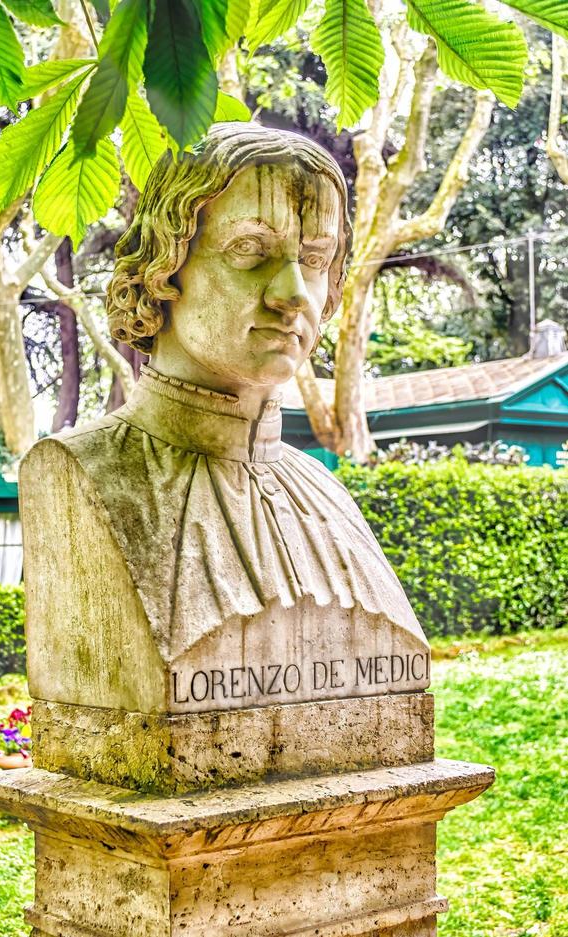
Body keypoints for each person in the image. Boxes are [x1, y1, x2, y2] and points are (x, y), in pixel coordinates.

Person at [21, 123, 427, 713]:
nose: (294, 294)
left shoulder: (326, 491)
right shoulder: (78, 472)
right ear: (164, 269)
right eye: (251, 251)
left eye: (315, 259)